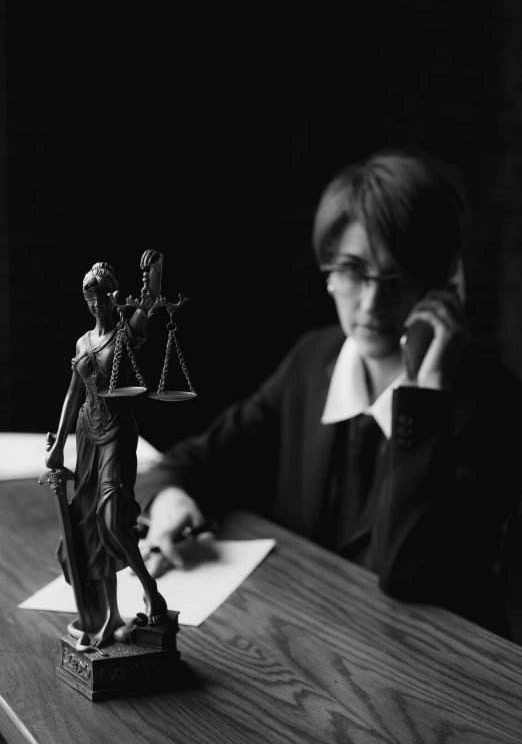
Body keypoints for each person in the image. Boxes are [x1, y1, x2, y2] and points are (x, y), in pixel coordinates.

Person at [135, 149, 522, 641]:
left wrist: (425, 399)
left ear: (443, 284)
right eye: (353, 271)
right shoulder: (312, 362)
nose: (371, 302)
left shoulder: (491, 404)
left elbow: (409, 574)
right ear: (329, 271)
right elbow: (197, 459)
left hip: (418, 669)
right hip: (297, 636)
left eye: (396, 278)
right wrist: (169, 498)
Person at [45, 254, 168, 648]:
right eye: (90, 298)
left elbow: (148, 305)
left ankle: (151, 591)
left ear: (112, 296)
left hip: (116, 431)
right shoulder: (83, 341)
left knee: (112, 518)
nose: (96, 304)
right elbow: (72, 393)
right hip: (86, 433)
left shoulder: (124, 333)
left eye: (101, 296)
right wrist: (58, 446)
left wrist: (153, 276)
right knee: (89, 529)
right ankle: (109, 614)